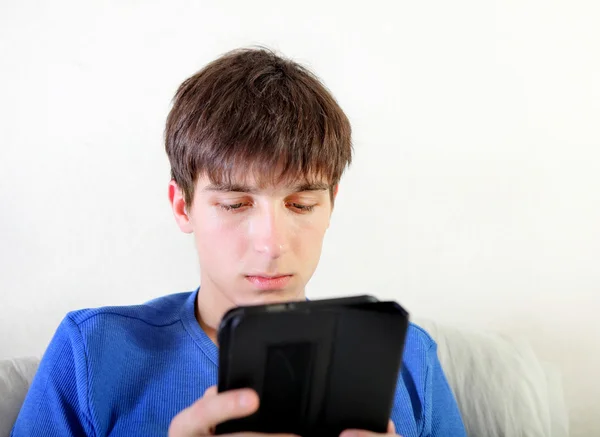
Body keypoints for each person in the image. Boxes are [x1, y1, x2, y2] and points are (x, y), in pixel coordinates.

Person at [11, 47, 466, 437]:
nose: (271, 244)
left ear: (332, 205)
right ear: (182, 206)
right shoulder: (92, 351)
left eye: (302, 204)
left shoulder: (409, 358)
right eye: (234, 204)